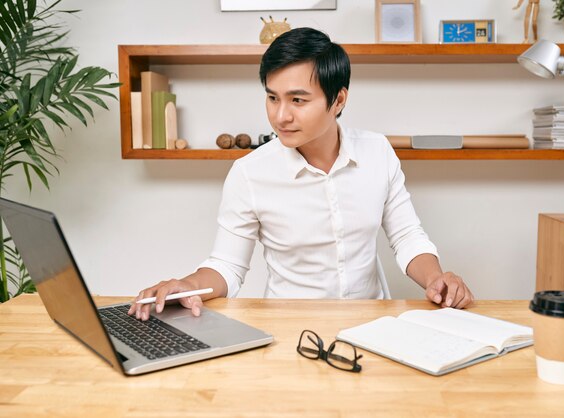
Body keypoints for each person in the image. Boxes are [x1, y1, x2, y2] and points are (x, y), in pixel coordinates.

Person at [129, 27, 473, 321]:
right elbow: (227, 266)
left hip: (371, 323)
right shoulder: (249, 173)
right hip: (288, 326)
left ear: (338, 101)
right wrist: (188, 284)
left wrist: (436, 279)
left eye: (298, 100)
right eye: (272, 98)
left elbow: (407, 237)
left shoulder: (377, 152)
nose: (281, 116)